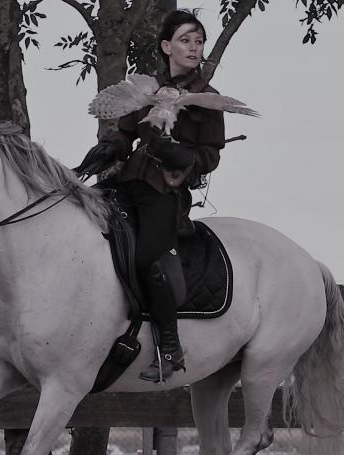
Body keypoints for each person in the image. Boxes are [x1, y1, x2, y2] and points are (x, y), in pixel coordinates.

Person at [76, 9, 226, 383]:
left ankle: (170, 347)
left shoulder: (207, 98)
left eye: (199, 41)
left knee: (146, 259)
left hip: (166, 193)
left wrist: (179, 155)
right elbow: (126, 135)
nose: (194, 48)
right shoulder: (144, 89)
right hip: (127, 183)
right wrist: (108, 148)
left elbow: (210, 156)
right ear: (166, 46)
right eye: (186, 40)